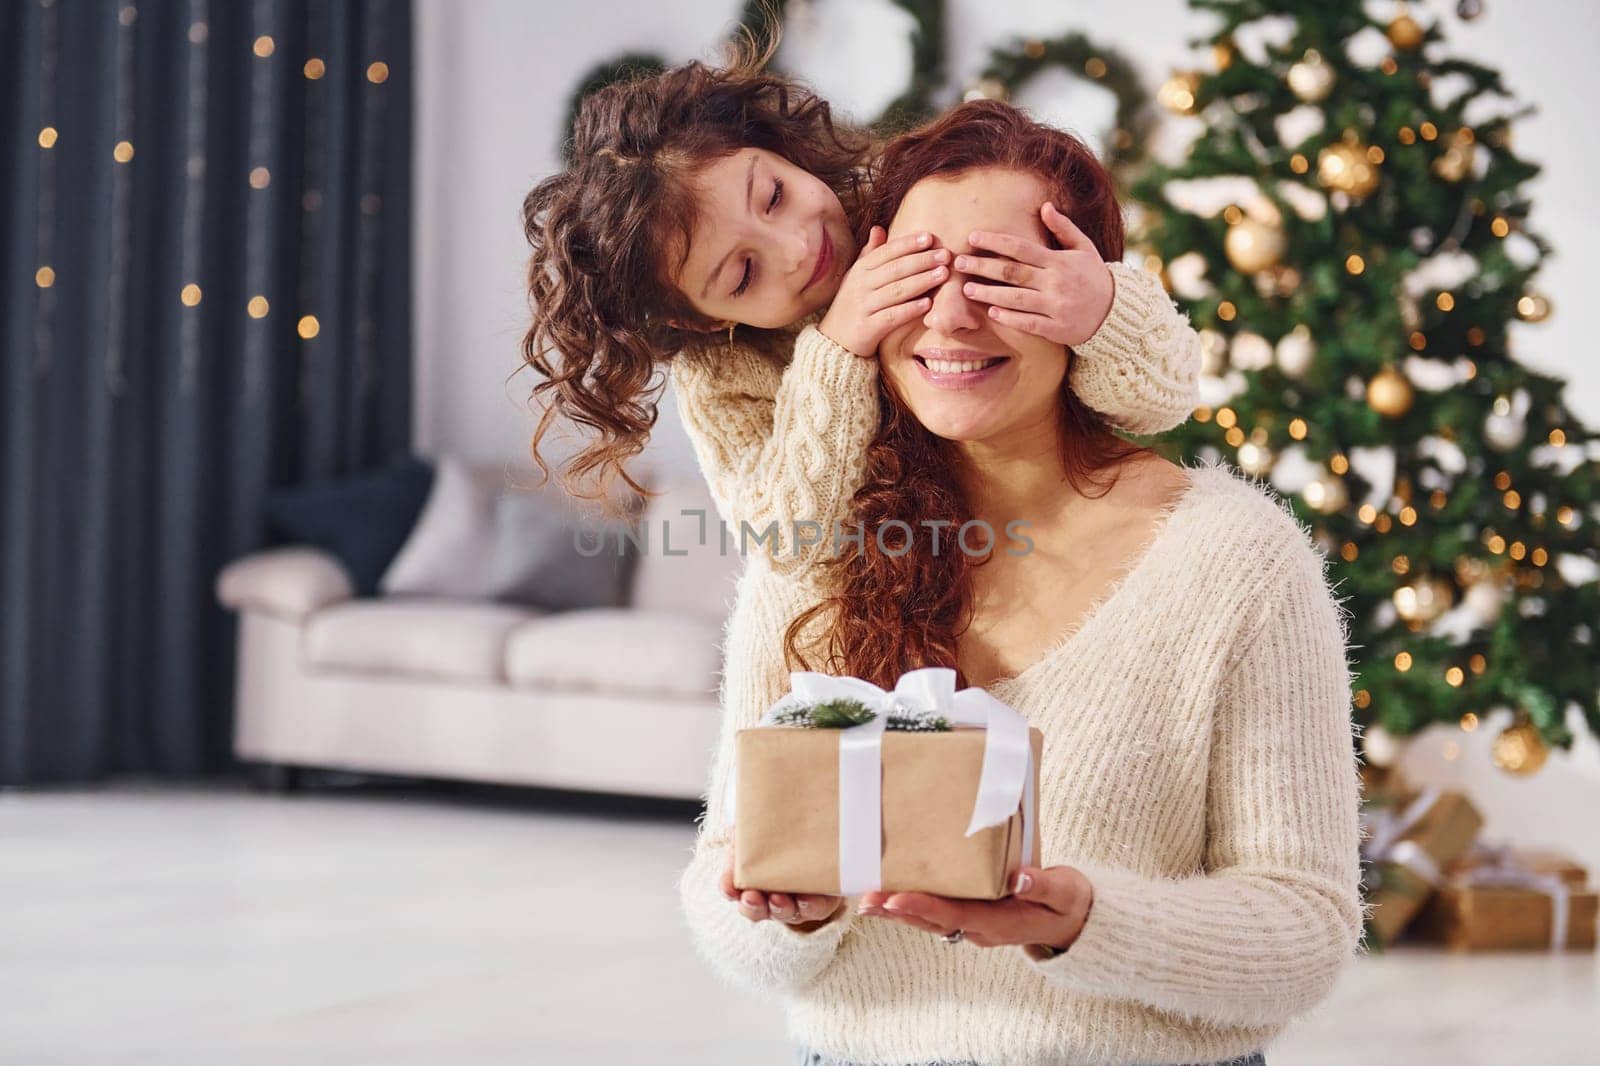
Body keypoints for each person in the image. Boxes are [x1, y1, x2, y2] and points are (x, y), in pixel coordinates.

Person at [679, 101, 1363, 1066]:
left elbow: (1307, 936)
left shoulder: (1235, 559)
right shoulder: (812, 549)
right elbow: (723, 899)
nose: (951, 315)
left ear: (1090, 297)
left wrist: (1084, 922)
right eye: (916, 275)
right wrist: (792, 911)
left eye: (1000, 277)